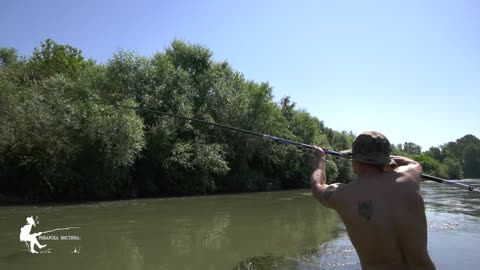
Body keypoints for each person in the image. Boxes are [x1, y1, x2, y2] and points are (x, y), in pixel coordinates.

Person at [311, 131, 435, 270]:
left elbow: (317, 186)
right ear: (385, 160)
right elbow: (410, 162)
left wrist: (321, 159)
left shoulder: (342, 194)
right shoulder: (410, 176)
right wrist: (382, 157)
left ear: (355, 160)